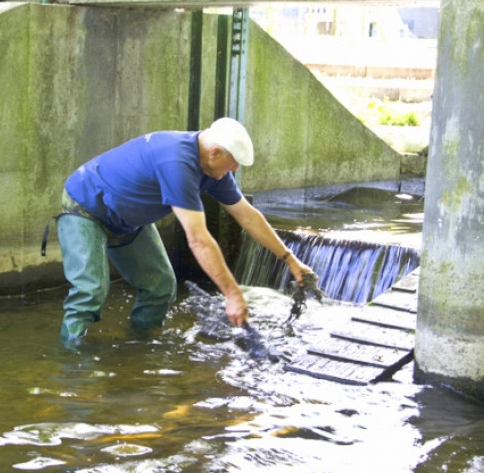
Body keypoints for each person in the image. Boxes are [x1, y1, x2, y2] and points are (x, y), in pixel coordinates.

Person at [56, 117, 315, 343]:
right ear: (215, 152)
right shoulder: (177, 163)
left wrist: (290, 260)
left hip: (127, 219)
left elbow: (247, 216)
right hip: (87, 207)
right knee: (90, 291)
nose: (235, 170)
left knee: (160, 286)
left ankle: (139, 345)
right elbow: (199, 240)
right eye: (234, 163)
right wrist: (233, 294)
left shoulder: (214, 171)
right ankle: (73, 362)